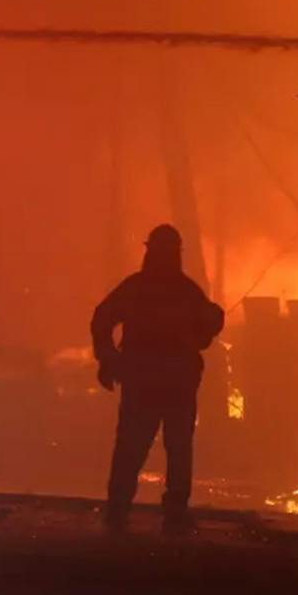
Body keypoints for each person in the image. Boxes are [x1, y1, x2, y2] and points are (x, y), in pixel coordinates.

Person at [89, 223, 223, 535]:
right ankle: (169, 515)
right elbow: (206, 328)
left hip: (146, 381)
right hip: (170, 382)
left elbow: (102, 318)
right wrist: (109, 359)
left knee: (134, 448)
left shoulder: (139, 288)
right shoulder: (184, 291)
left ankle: (119, 513)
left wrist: (109, 360)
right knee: (173, 450)